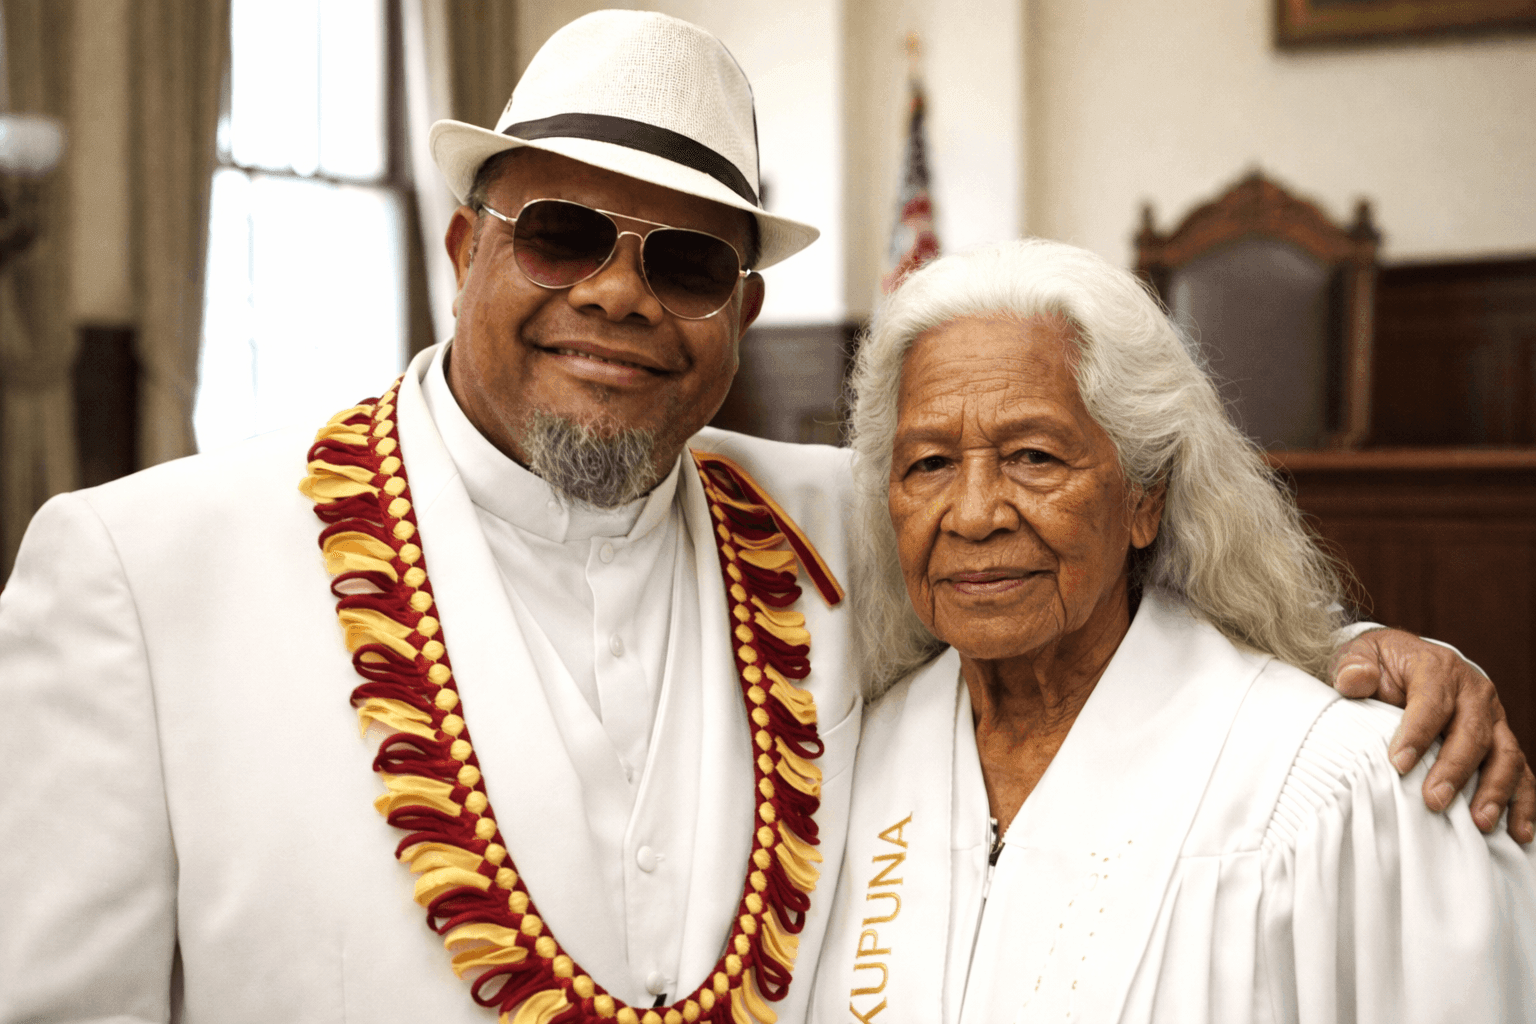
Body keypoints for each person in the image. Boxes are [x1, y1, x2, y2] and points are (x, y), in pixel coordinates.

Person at [0, 12, 1524, 1024]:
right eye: (563, 232)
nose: (616, 292)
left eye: (682, 262)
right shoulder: (143, 573)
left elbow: (1104, 581)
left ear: (742, 310)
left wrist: (1372, 656)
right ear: (464, 244)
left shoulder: (845, 527)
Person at [812, 239, 1536, 1023]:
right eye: (928, 464)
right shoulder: (851, 758)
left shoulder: (1338, 785)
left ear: (1145, 497)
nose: (975, 512)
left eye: (1033, 456)